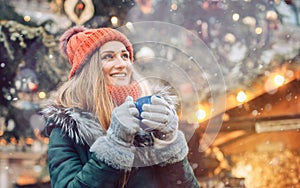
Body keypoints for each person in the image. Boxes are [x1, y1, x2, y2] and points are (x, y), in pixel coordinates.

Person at [41, 26, 199, 188]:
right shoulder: (68, 127)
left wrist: (169, 143)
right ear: (90, 70)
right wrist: (114, 145)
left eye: (125, 56)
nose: (122, 64)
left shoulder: (150, 116)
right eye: (109, 57)